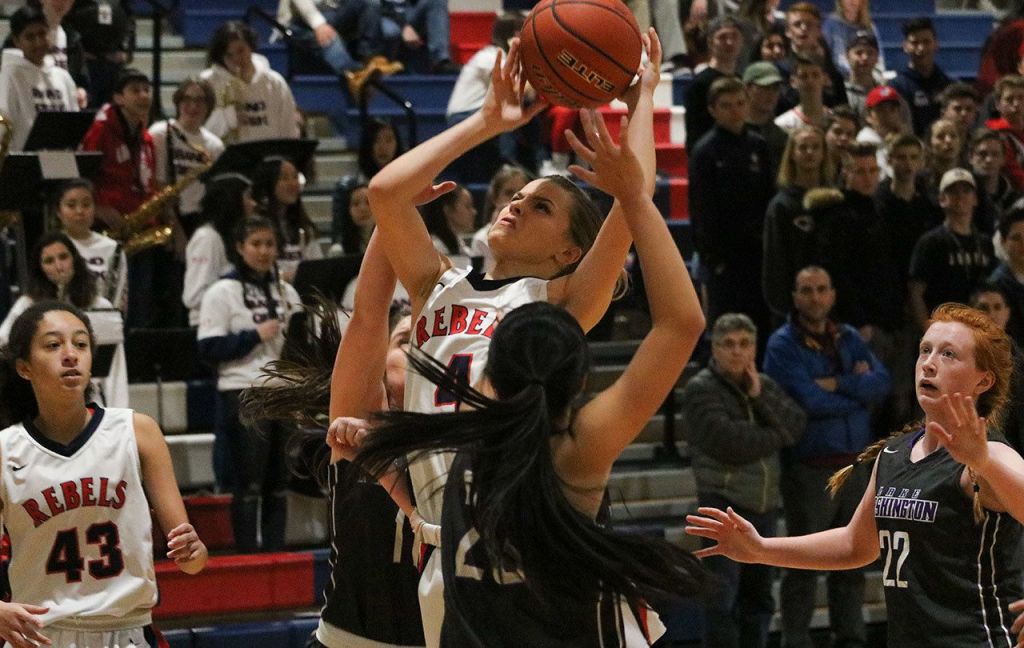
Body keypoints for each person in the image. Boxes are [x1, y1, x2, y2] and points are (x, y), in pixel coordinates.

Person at [344, 81, 707, 643]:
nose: (516, 204)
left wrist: (643, 100)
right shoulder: (435, 284)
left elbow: (635, 196)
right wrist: (486, 121)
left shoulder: (555, 302)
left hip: (535, 531)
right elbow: (386, 192)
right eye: (517, 196)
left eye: (541, 207)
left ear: (568, 253)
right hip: (448, 546)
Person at [688, 302, 1024, 647]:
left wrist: (982, 461)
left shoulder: (991, 457)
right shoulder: (894, 454)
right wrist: (761, 549)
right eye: (925, 349)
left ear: (983, 380)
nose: (929, 363)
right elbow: (856, 544)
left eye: (949, 354)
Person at [0, 300, 207, 646]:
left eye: (80, 344)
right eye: (53, 345)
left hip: (127, 631)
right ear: (24, 367)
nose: (70, 354)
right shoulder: (5, 449)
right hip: (41, 635)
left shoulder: (138, 431)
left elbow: (192, 562)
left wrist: (194, 550)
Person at [762, 265, 891, 648]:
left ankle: (851, 639)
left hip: (856, 466)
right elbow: (805, 400)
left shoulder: (848, 336)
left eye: (821, 289)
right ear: (795, 297)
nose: (815, 297)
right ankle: (796, 640)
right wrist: (856, 391)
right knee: (802, 565)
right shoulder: (782, 344)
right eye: (806, 290)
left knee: (854, 561)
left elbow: (880, 384)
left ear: (833, 294)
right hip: (809, 469)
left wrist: (837, 383)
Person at [682, 312, 805, 648]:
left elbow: (796, 424)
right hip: (723, 503)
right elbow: (732, 444)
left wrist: (760, 397)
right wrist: (777, 434)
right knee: (722, 599)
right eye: (728, 344)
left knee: (759, 598)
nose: (737, 351)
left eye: (745, 343)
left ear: (754, 348)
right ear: (715, 349)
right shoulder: (700, 389)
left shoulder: (762, 383)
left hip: (763, 503)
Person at [197, 216, 302, 550]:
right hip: (244, 389)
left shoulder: (286, 291)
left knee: (280, 482)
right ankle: (248, 553)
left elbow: (300, 341)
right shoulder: (221, 292)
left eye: (269, 244)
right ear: (240, 249)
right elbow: (209, 348)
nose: (263, 251)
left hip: (283, 389)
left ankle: (275, 551)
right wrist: (253, 335)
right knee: (250, 482)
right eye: (256, 244)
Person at [0, 231, 129, 409]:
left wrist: (119, 412)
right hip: (39, 401)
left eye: (63, 257)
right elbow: (5, 345)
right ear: (40, 268)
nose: (59, 266)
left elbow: (116, 367)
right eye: (49, 261)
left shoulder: (100, 305)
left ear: (75, 260)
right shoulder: (27, 305)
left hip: (88, 398)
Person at [689, 76, 774, 334]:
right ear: (713, 110)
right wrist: (714, 259)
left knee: (760, 325)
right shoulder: (705, 152)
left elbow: (768, 196)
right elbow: (701, 209)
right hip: (724, 259)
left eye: (740, 103)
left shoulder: (758, 145)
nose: (735, 110)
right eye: (727, 105)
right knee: (727, 328)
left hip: (758, 255)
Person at [909, 168, 997, 334]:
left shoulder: (985, 243)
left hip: (978, 330)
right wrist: (927, 329)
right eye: (953, 192)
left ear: (975, 199)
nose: (960, 196)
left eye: (966, 191)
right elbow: (915, 292)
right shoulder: (931, 242)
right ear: (942, 199)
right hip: (944, 329)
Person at [762, 125, 834, 323]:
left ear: (824, 153)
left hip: (833, 312)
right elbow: (774, 265)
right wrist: (786, 311)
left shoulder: (834, 201)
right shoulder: (781, 205)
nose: (809, 152)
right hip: (793, 313)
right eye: (803, 147)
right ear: (792, 153)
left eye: (815, 147)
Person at [149, 78, 225, 239]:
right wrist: (175, 229)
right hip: (167, 217)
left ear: (209, 106)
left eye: (200, 100)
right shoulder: (160, 133)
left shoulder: (215, 145)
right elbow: (157, 182)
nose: (193, 106)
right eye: (187, 99)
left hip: (199, 220)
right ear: (178, 102)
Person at [201, 21, 301, 144]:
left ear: (251, 47)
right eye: (229, 55)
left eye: (241, 51)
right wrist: (227, 116)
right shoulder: (208, 82)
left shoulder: (274, 82)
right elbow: (200, 132)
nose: (236, 59)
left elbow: (288, 128)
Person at [182, 173, 257, 327]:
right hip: (208, 327)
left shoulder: (229, 237)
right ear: (232, 201)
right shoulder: (207, 238)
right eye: (248, 197)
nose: (254, 204)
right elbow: (194, 296)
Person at [276, 0, 401, 92]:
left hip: (334, 13)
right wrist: (318, 24)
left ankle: (371, 61)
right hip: (299, 20)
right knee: (330, 38)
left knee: (373, 6)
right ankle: (354, 75)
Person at [0, 5, 77, 151]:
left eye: (42, 34)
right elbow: (4, 125)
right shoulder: (9, 77)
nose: (39, 42)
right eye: (30, 37)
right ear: (17, 42)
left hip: (61, 160)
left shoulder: (63, 77)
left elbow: (73, 124)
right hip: (24, 163)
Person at [52, 178, 128, 314]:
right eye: (71, 205)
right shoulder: (50, 247)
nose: (80, 211)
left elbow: (119, 296)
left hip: (102, 321)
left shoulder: (112, 248)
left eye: (86, 205)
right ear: (59, 211)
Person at [330, 118, 404, 250]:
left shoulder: (407, 181)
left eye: (389, 140)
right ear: (367, 145)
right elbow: (339, 232)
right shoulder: (349, 185)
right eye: (376, 140)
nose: (383, 147)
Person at [251, 156, 323, 281]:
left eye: (295, 177)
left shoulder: (305, 227)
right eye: (284, 178)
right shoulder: (255, 226)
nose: (293, 184)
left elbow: (318, 267)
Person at [684, 16, 743, 151]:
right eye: (722, 37)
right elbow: (694, 136)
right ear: (710, 42)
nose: (729, 42)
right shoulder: (699, 84)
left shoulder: (742, 80)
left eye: (734, 36)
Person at [890, 17, 953, 138]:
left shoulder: (949, 85)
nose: (921, 48)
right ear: (905, 46)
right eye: (915, 43)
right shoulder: (896, 87)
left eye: (926, 42)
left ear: (936, 44)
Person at [468, 164, 532, 273]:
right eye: (509, 193)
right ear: (495, 198)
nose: (515, 199)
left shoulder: (537, 236)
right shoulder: (480, 239)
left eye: (521, 193)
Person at [743, 61, 787, 179]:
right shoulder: (734, 133)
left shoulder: (782, 137)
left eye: (776, 88)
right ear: (747, 88)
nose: (771, 94)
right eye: (765, 87)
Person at [821, 0, 884, 78]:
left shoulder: (869, 27)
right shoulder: (830, 25)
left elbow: (879, 59)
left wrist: (876, 77)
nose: (852, 1)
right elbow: (823, 58)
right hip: (839, 81)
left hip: (868, 81)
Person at [421, 183, 475, 269]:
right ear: (448, 210)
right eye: (468, 206)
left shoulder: (460, 245)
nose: (474, 212)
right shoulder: (436, 249)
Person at [985, 74, 1024, 193]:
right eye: (1009, 99)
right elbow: (1014, 174)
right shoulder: (993, 133)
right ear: (998, 104)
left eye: (1021, 98)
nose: (1016, 104)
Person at [774, 53, 828, 133]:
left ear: (825, 79)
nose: (810, 81)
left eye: (815, 75)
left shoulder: (834, 121)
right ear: (793, 81)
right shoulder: (782, 124)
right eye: (804, 76)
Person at [842, 30, 881, 121]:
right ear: (847, 56)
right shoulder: (840, 92)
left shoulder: (882, 92)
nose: (865, 57)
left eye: (870, 53)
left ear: (877, 57)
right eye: (859, 53)